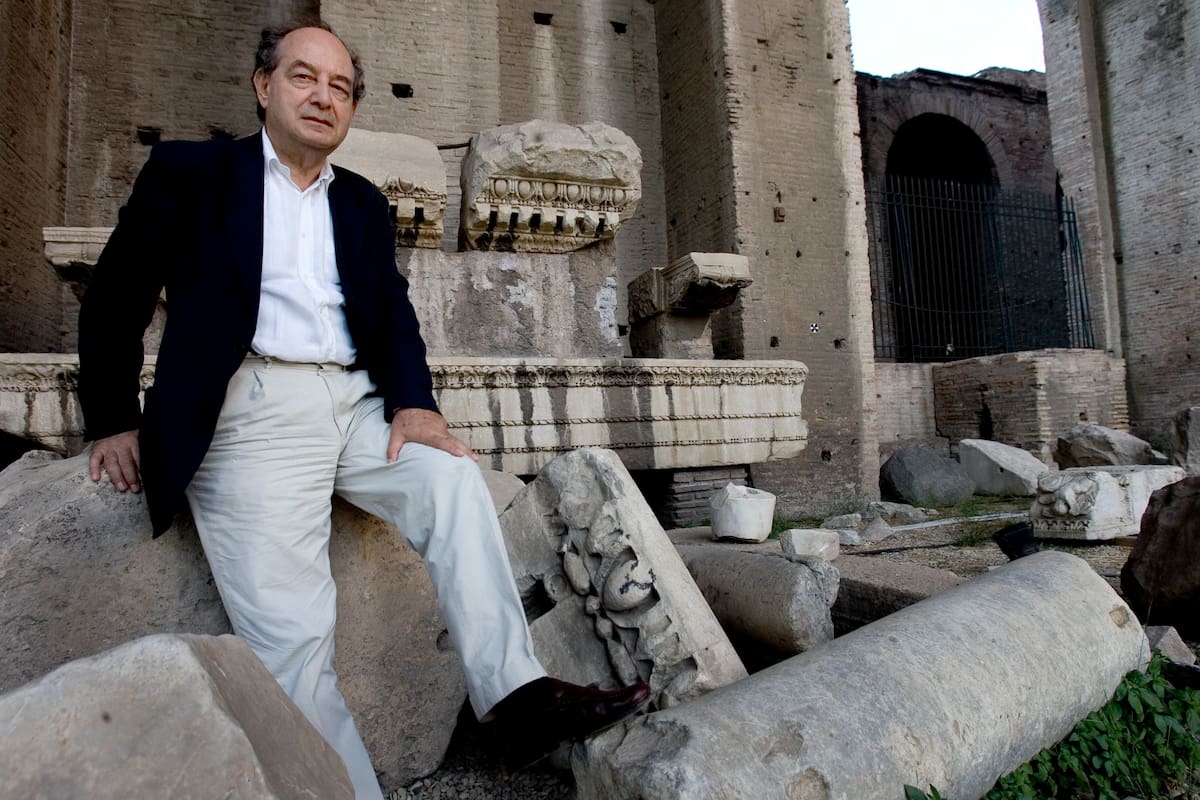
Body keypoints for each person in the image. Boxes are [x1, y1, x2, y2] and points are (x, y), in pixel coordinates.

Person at [78, 21, 648, 799]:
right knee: (294, 646)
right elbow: (117, 293)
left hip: (355, 401)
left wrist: (415, 405)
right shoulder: (191, 172)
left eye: (339, 87)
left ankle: (514, 698)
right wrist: (112, 418)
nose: (322, 97)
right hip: (250, 407)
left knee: (452, 485)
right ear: (263, 86)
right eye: (304, 77)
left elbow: (388, 312)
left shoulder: (360, 202)